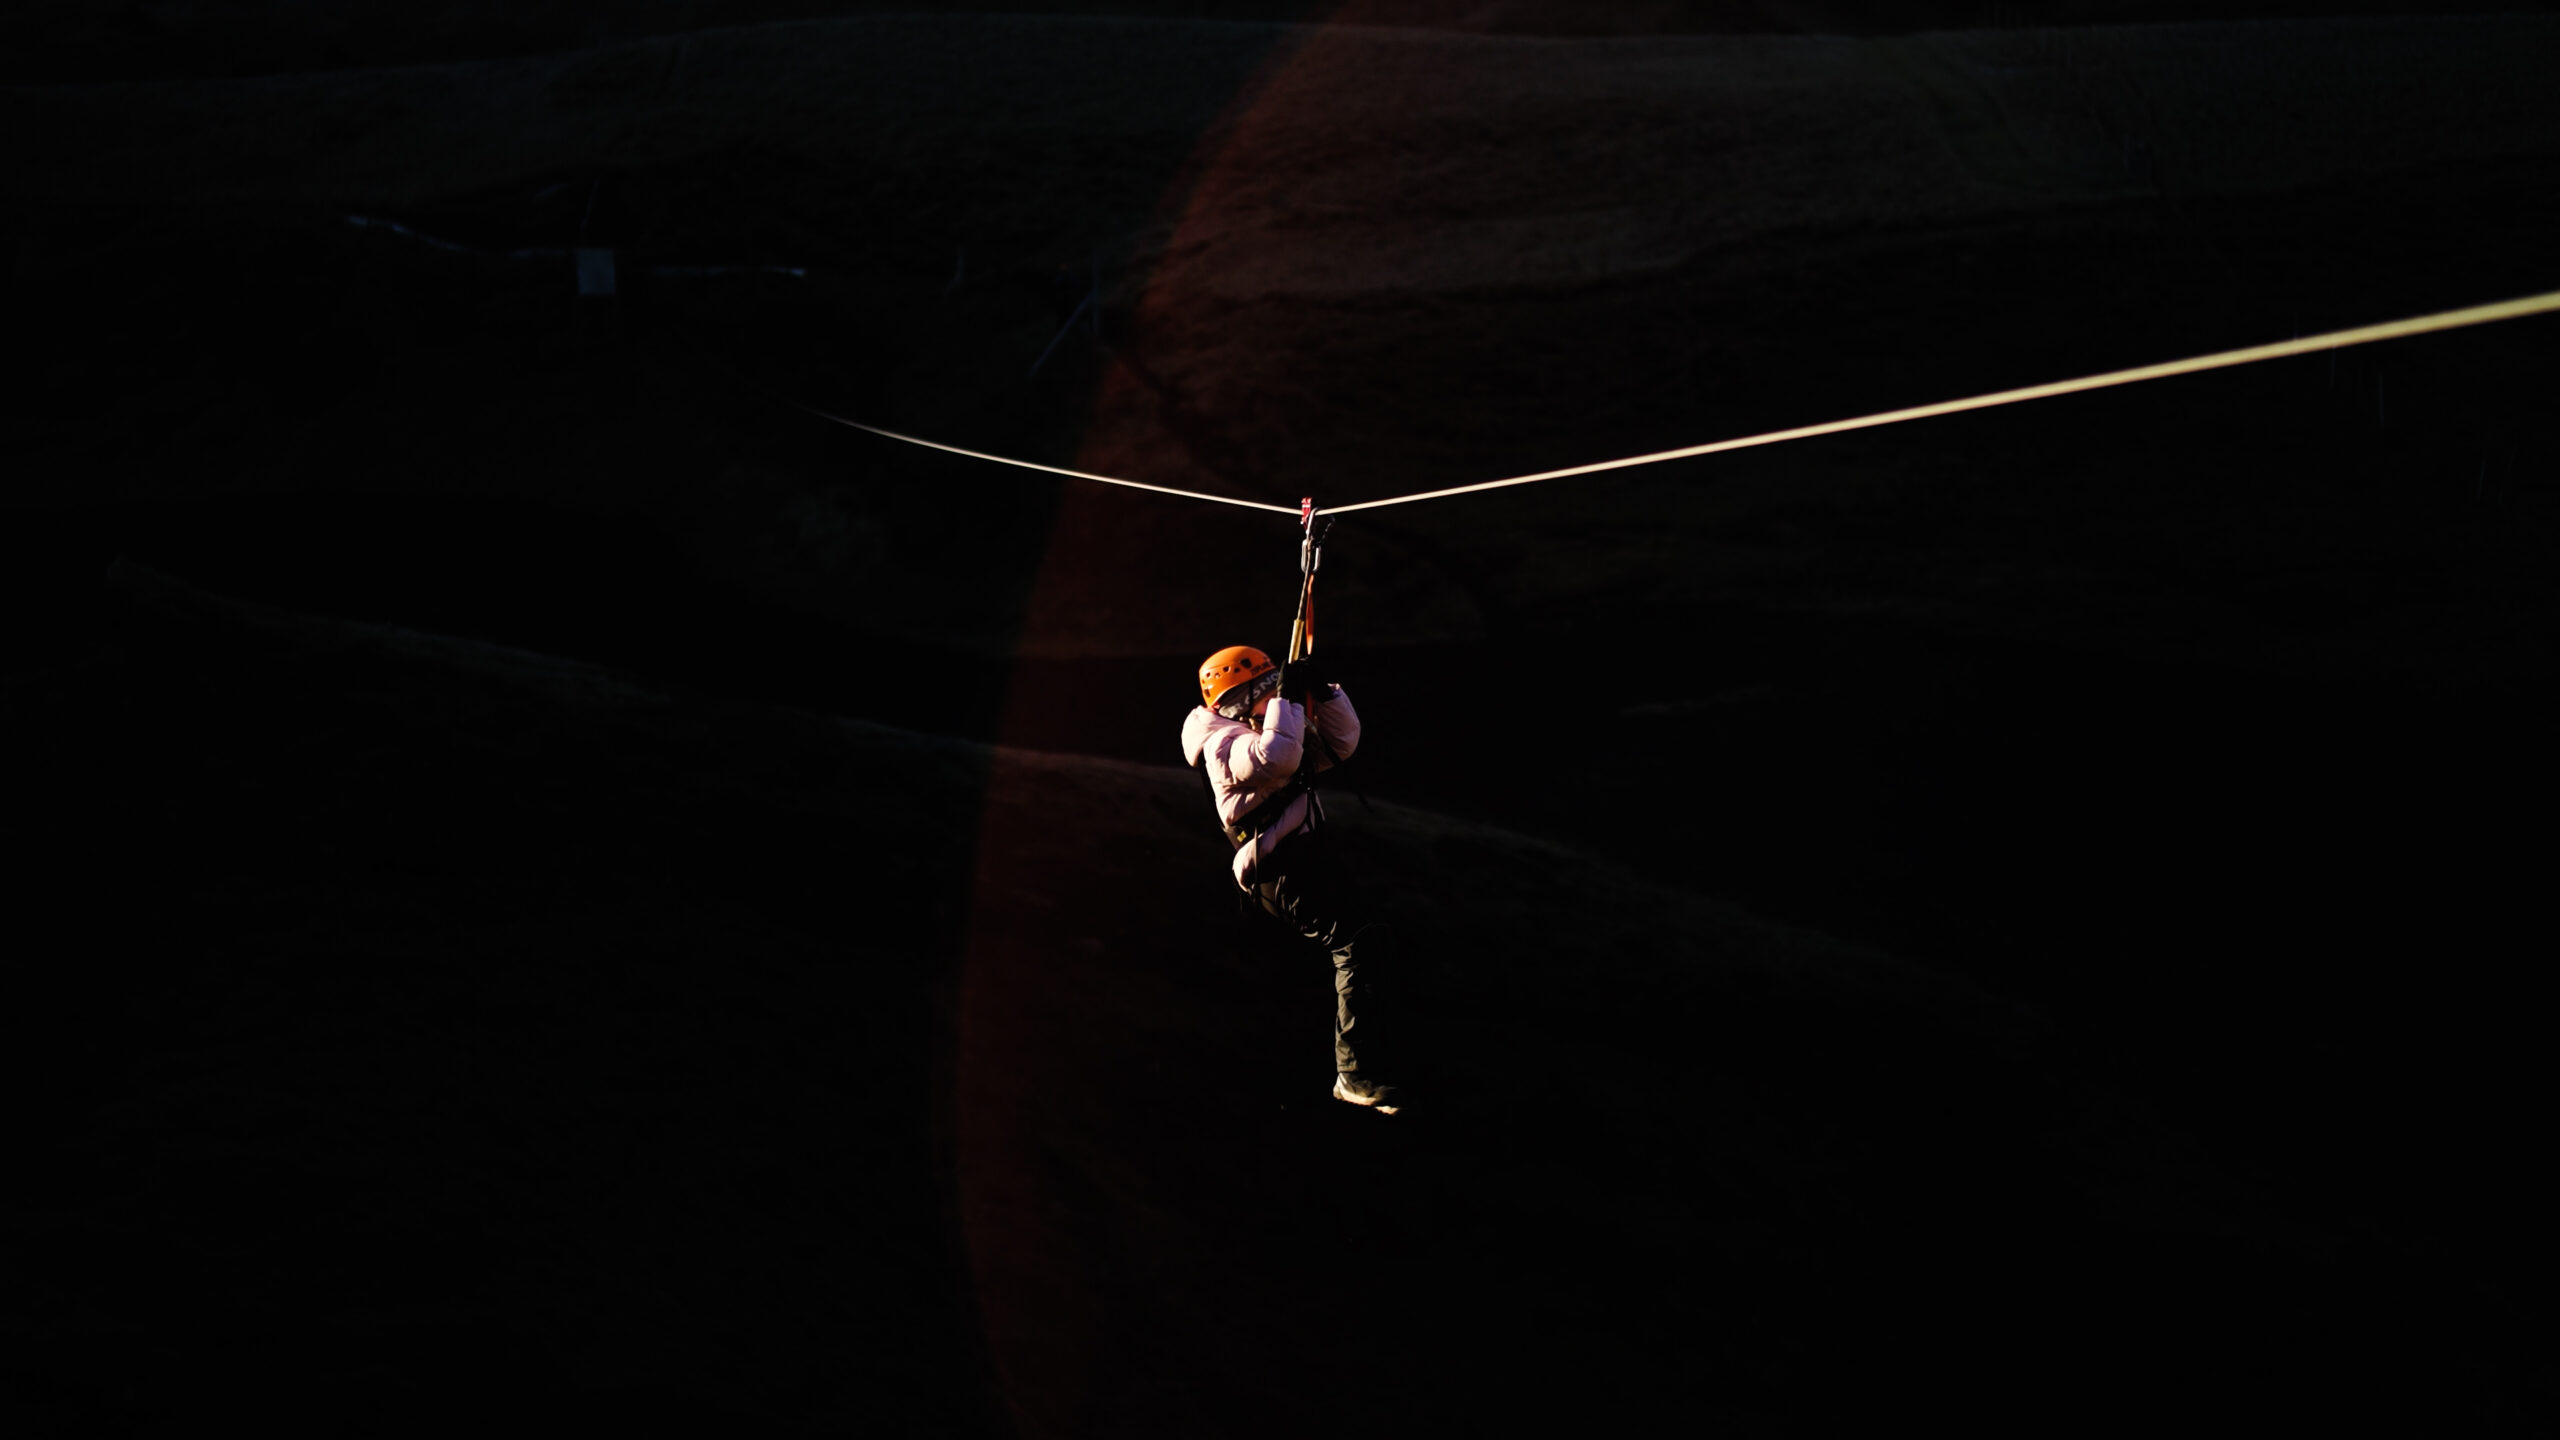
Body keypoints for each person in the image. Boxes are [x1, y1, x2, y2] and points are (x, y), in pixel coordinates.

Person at [1180, 645, 1398, 1112]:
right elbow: (1276, 759)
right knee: (1357, 943)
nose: (1265, 696)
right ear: (1228, 701)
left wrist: (1324, 693)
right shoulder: (1224, 743)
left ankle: (1368, 1062)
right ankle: (1354, 1074)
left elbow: (1341, 745)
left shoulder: (1274, 728)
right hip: (1281, 873)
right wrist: (1288, 701)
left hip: (1309, 859)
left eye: (1270, 684)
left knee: (1373, 941)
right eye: (1257, 689)